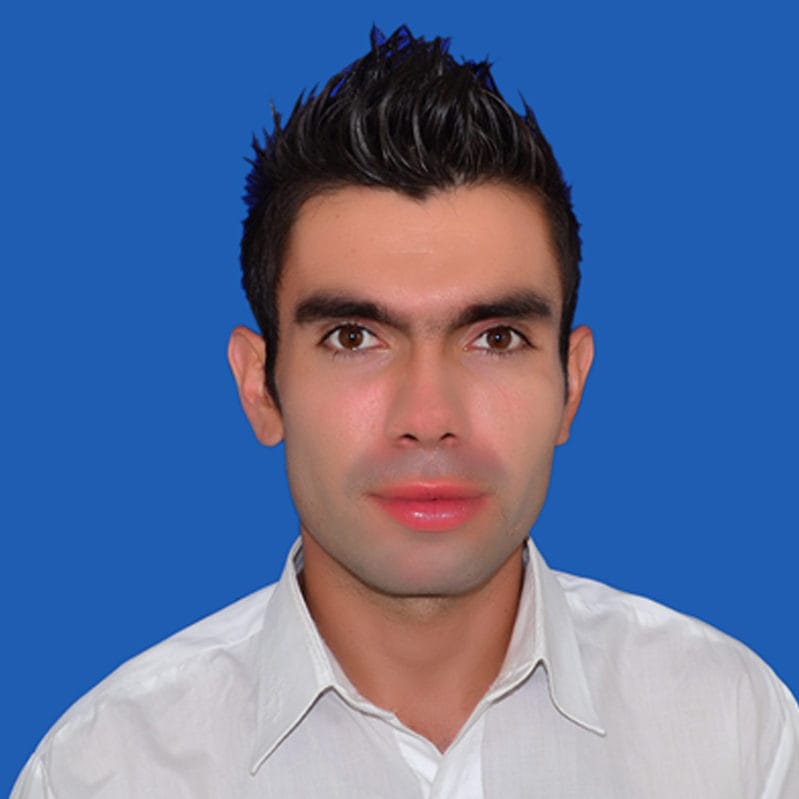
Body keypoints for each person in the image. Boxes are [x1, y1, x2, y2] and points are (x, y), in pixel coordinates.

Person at [12, 25, 799, 798]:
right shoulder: (102, 772)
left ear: (571, 381)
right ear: (260, 386)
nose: (427, 415)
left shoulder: (736, 733)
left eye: (495, 337)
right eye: (354, 337)